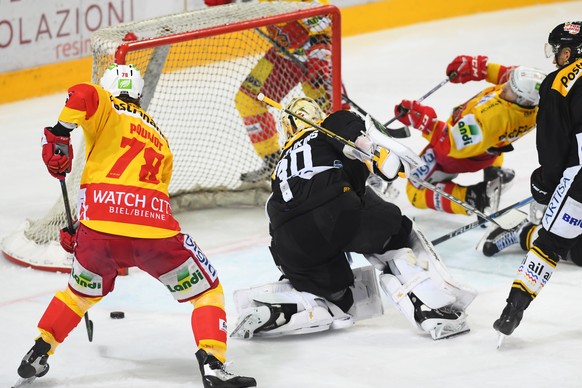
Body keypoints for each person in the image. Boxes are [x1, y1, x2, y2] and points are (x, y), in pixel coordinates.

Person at [15, 64, 256, 388]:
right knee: (207, 291)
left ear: (109, 87)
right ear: (140, 94)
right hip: (154, 236)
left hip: (99, 234)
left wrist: (59, 133)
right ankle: (212, 364)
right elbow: (150, 193)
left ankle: (40, 349)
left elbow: (82, 94)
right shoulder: (159, 137)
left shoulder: (107, 106)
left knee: (78, 295)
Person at [229, 97, 477, 341]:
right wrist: (376, 154)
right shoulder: (331, 123)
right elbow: (358, 142)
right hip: (335, 213)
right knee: (397, 235)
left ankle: (293, 304)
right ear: (317, 115)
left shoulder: (280, 166)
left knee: (339, 299)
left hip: (289, 243)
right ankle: (430, 309)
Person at [493, 21, 582, 339]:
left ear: (569, 52)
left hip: (579, 177)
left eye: (557, 51)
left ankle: (512, 309)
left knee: (552, 242)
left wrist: (545, 182)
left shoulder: (558, 82)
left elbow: (552, 144)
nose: (555, 57)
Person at [393, 56, 546, 217]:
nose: (505, 86)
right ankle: (494, 171)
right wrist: (481, 68)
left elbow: (452, 144)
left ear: (523, 100)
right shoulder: (534, 103)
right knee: (493, 143)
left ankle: (474, 197)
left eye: (510, 88)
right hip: (488, 151)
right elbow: (509, 76)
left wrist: (424, 122)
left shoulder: (491, 120)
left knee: (415, 192)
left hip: (458, 157)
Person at [203, 0, 336, 182]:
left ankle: (354, 155)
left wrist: (319, 60)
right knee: (248, 100)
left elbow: (325, 23)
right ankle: (273, 161)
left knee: (332, 108)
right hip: (285, 55)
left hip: (316, 54)